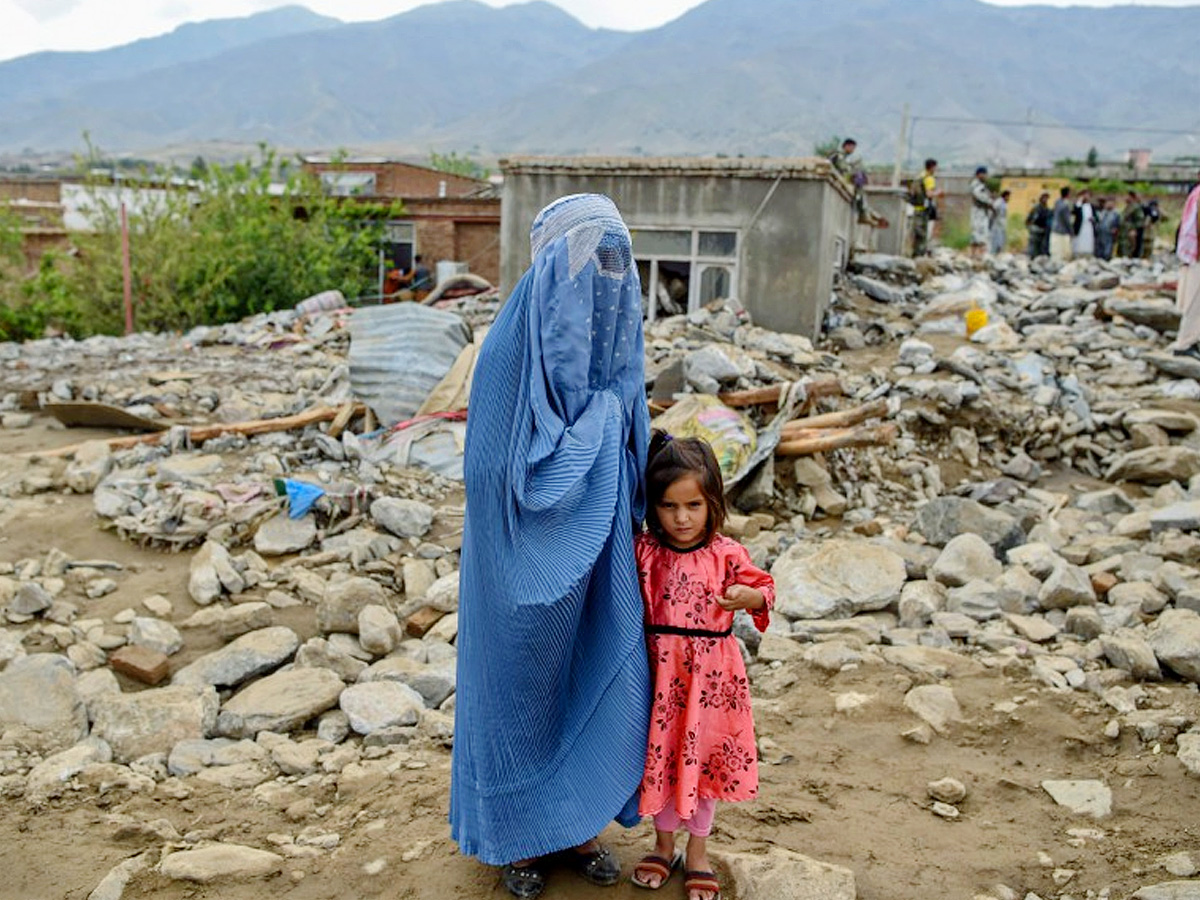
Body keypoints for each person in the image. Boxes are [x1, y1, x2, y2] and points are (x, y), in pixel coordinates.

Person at [450, 194, 652, 899]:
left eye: (616, 262)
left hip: (601, 553)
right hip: (514, 562)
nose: (604, 279)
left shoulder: (618, 342)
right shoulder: (510, 347)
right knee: (520, 690)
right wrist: (598, 431)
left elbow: (637, 433)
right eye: (589, 260)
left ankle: (579, 824)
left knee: (595, 672)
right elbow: (492, 470)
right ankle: (516, 840)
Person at [629, 433, 775, 900]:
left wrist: (750, 597)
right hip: (662, 679)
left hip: (712, 683)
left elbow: (765, 588)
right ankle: (663, 843)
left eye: (693, 504)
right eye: (669, 506)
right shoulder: (646, 553)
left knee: (702, 763)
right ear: (654, 506)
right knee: (664, 759)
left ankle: (697, 852)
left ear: (713, 501)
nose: (682, 518)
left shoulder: (726, 555)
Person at [1172, 177, 1200, 357]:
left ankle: (1193, 338)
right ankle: (1184, 344)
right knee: (1194, 301)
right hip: (1197, 255)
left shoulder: (1195, 193)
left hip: (1192, 254)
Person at [910, 158, 940, 256]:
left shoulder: (920, 176)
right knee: (923, 235)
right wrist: (938, 192)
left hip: (916, 207)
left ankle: (915, 254)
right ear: (932, 167)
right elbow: (929, 194)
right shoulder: (929, 178)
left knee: (917, 234)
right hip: (924, 209)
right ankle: (920, 256)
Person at [969, 167, 995, 257]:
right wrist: (991, 202)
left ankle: (976, 255)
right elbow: (980, 196)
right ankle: (979, 254)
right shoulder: (977, 185)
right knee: (979, 233)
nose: (986, 176)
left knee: (979, 233)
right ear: (979, 174)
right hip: (978, 212)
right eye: (984, 174)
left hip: (981, 212)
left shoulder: (980, 184)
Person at [1050, 186, 1074, 262]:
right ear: (1068, 194)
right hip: (1063, 231)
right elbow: (1067, 220)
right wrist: (1071, 231)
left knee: (1055, 251)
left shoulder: (1057, 202)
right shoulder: (1065, 205)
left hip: (1055, 229)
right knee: (1064, 252)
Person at [1119, 191, 1146, 258]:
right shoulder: (1128, 206)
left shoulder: (1135, 207)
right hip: (1124, 232)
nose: (1125, 198)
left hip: (1130, 232)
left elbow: (1140, 220)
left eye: (1126, 196)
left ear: (1131, 197)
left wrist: (1134, 230)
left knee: (1129, 249)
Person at [1026, 192, 1052, 258]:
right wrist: (1030, 228)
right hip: (1035, 230)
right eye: (1044, 197)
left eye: (1046, 198)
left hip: (1043, 231)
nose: (1045, 199)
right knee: (1033, 250)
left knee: (1041, 250)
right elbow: (1028, 220)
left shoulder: (1046, 208)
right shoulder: (1036, 208)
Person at [1073, 189, 1096, 258]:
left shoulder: (1092, 206)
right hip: (1080, 226)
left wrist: (1093, 219)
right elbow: (1075, 212)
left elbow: (1095, 217)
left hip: (1088, 226)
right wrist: (1080, 201)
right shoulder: (1078, 205)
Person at [990, 189, 1011, 254]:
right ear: (1004, 196)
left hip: (1002, 222)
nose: (1008, 198)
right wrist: (995, 217)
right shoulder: (999, 201)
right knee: (997, 238)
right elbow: (993, 208)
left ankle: (999, 252)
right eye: (1007, 196)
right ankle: (994, 252)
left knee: (1002, 238)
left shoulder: (1005, 203)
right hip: (997, 222)